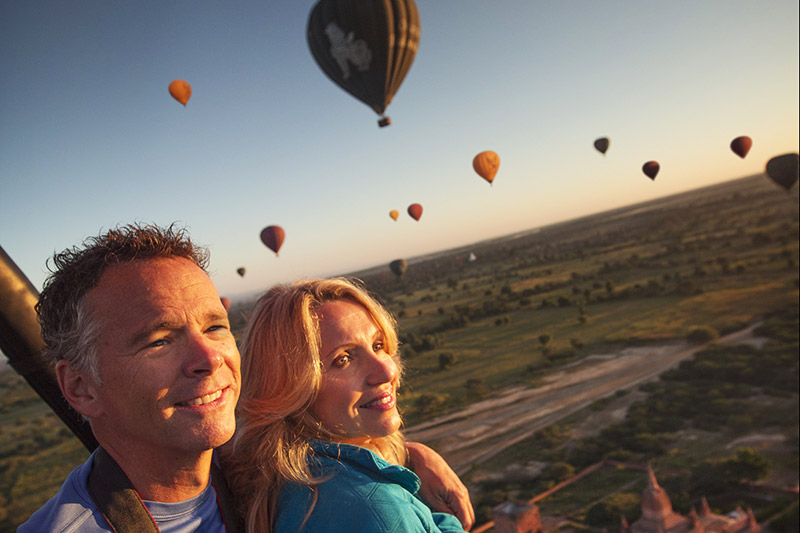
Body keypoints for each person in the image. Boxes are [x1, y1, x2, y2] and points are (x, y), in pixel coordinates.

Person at [19, 224, 473, 532]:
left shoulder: (236, 467)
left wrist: (408, 457)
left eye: (215, 327)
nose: (209, 358)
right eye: (159, 340)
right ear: (80, 387)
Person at [223, 278, 473, 533]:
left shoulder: (290, 483)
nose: (387, 370)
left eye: (378, 345)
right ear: (291, 390)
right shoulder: (373, 508)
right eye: (343, 359)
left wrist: (412, 457)